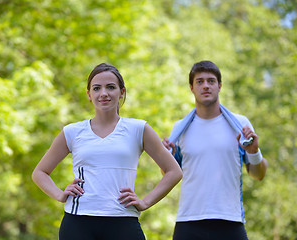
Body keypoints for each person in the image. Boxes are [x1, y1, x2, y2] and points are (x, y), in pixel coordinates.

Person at [32, 63, 183, 240]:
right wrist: (59, 194)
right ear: (89, 95)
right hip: (78, 223)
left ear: (121, 92)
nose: (104, 93)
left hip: (123, 221)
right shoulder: (72, 132)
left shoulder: (138, 128)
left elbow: (174, 172)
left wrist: (145, 202)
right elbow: (39, 173)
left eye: (110, 87)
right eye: (97, 88)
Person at [162, 60, 268, 240]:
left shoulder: (240, 125)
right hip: (189, 221)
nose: (206, 86)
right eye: (200, 81)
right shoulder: (180, 129)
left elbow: (259, 174)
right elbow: (169, 174)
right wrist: (166, 157)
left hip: (230, 221)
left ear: (219, 86)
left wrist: (254, 152)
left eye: (211, 81)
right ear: (191, 87)